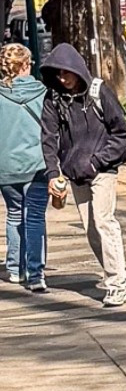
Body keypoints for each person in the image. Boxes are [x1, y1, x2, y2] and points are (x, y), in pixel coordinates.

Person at [40, 45, 126, 307]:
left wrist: (97, 162)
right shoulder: (53, 99)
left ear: (77, 69)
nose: (63, 78)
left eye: (66, 73)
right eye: (58, 74)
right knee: (91, 228)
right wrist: (52, 173)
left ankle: (117, 282)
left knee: (104, 222)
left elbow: (120, 133)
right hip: (74, 172)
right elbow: (48, 138)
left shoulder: (99, 91)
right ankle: (120, 274)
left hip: (102, 168)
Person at [0, 42, 49, 292]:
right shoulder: (41, 92)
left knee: (15, 215)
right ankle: (35, 272)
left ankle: (14, 269)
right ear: (27, 65)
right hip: (37, 164)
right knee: (35, 216)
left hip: (6, 167)